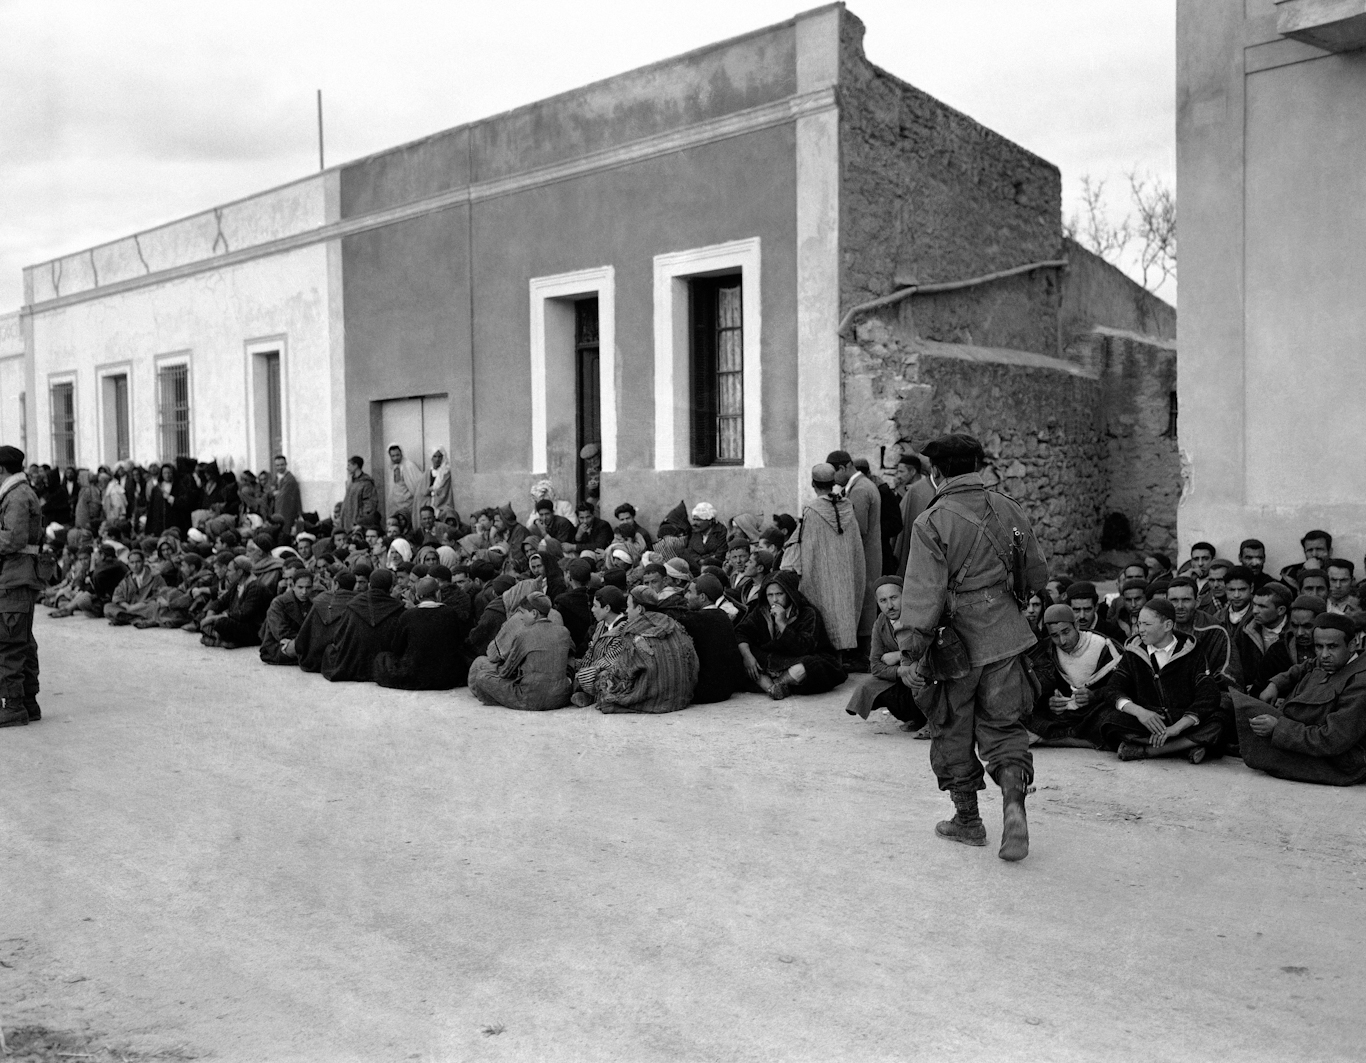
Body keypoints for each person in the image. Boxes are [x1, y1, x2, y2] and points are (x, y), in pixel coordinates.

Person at [895, 433, 1047, 862]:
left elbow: (923, 595)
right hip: (1006, 636)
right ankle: (1014, 805)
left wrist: (910, 653)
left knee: (951, 729)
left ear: (935, 472)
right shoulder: (1009, 507)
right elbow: (1036, 575)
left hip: (954, 648)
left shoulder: (933, 521)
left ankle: (968, 821)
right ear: (977, 464)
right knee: (1003, 729)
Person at [1232, 613, 1366, 785]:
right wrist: (1276, 684)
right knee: (1230, 705)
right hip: (1300, 733)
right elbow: (1306, 666)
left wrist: (1278, 728)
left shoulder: (1360, 682)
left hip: (1338, 762)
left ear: (1352, 645)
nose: (1324, 654)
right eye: (1318, 646)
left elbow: (1331, 740)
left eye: (1332, 646)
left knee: (1245, 728)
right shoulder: (1333, 660)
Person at [1097, 598, 1224, 763]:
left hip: (1183, 721)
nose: (1140, 629)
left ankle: (1147, 751)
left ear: (1168, 626)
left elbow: (1208, 695)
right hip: (1148, 721)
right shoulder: (1133, 652)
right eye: (1139, 624)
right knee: (1109, 721)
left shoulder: (1191, 651)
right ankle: (1185, 747)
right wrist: (1140, 712)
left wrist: (1177, 728)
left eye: (1147, 625)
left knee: (1220, 721)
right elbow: (1112, 689)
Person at [735, 570, 846, 700]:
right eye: (770, 595)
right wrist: (748, 657)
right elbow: (741, 632)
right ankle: (777, 687)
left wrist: (782, 625)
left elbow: (804, 648)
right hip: (770, 659)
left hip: (795, 659)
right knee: (737, 656)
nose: (774, 599)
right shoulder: (761, 611)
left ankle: (773, 686)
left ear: (789, 593)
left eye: (779, 594)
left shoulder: (808, 613)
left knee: (808, 666)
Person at [793, 463, 865, 661]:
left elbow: (808, 546)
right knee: (842, 609)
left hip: (822, 572)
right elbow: (855, 544)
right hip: (845, 570)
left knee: (824, 610)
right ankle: (840, 659)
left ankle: (829, 660)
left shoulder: (811, 511)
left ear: (813, 484)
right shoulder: (848, 506)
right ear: (833, 483)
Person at [1021, 604, 1119, 748]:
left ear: (1077, 625)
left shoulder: (1103, 646)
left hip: (1095, 712)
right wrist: (1050, 702)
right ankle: (1084, 741)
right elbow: (1039, 685)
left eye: (1066, 632)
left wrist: (1094, 695)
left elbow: (1122, 686)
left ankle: (1049, 740)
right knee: (1020, 719)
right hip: (1063, 715)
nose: (1062, 641)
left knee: (1116, 720)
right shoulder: (1047, 649)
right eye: (1055, 635)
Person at [593, 587, 699, 714]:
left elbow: (624, 673)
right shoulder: (674, 624)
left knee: (602, 680)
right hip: (681, 698)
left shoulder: (632, 631)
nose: (626, 611)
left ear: (639, 609)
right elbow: (693, 662)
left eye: (628, 607)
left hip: (653, 700)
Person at [844, 576, 926, 732]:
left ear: (905, 596)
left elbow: (928, 651)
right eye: (883, 601)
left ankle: (932, 721)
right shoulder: (880, 623)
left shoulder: (919, 617)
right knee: (870, 685)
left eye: (894, 598)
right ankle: (913, 717)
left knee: (918, 677)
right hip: (902, 675)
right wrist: (900, 670)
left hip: (924, 673)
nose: (890, 606)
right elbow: (875, 665)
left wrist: (897, 656)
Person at [0, 446, 45, 727]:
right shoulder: (21, 492)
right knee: (21, 640)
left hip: (14, 576)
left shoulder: (16, 496)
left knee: (8, 641)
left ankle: (13, 705)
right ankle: (28, 701)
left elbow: (12, 539)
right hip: (19, 575)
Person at [468, 594, 574, 710]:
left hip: (530, 699)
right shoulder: (564, 632)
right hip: (560, 697)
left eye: (522, 613)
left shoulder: (524, 634)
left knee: (482, 677)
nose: (521, 618)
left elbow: (505, 672)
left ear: (534, 613)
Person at [828, 450, 882, 656]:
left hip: (865, 556)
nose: (833, 480)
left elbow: (858, 528)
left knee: (865, 601)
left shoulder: (860, 490)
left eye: (834, 474)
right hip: (867, 554)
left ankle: (865, 656)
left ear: (843, 468)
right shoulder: (862, 486)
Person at [374, 576, 472, 690]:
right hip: (445, 677)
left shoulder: (408, 615)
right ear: (438, 594)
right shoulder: (450, 613)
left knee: (382, 658)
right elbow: (459, 642)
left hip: (415, 675)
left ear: (416, 596)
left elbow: (397, 648)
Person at [322, 568, 405, 682]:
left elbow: (339, 636)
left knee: (329, 651)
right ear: (391, 587)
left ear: (370, 585)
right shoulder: (399, 608)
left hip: (353, 664)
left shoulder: (353, 604)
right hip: (383, 665)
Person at [676, 575, 747, 703]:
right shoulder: (723, 616)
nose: (686, 596)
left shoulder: (694, 619)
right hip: (726, 689)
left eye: (690, 592)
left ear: (702, 597)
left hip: (704, 691)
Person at [293, 571, 357, 672]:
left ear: (336, 585)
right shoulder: (358, 604)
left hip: (313, 661)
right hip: (342, 662)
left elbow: (303, 635)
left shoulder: (320, 600)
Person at [893, 452, 936, 578]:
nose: (898, 476)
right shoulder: (903, 488)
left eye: (901, 472)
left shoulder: (920, 490)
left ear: (912, 472)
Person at [259, 569, 316, 665]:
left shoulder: (313, 604)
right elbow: (280, 632)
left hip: (301, 643)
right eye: (300, 587)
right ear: (293, 586)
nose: (304, 592)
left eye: (308, 587)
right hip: (278, 647)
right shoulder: (279, 603)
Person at [103, 548, 167, 624]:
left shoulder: (154, 576)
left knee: (156, 607)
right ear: (128, 564)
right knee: (108, 607)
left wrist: (142, 604)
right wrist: (128, 607)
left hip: (146, 606)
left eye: (138, 562)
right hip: (130, 608)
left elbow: (162, 593)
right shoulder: (126, 580)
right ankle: (137, 618)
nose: (135, 565)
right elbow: (117, 596)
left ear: (143, 562)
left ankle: (129, 618)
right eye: (132, 563)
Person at [385, 444, 423, 524]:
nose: (395, 458)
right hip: (396, 504)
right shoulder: (392, 467)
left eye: (397, 455)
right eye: (393, 456)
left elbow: (418, 485)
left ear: (401, 453)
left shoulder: (409, 466)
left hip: (408, 503)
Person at [340, 456, 379, 532]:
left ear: (356, 465)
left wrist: (362, 522)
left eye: (349, 465)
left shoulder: (366, 483)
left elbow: (370, 504)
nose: (347, 468)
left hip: (358, 522)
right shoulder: (350, 482)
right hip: (347, 520)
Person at [271, 455, 302, 532]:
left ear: (286, 464)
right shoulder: (276, 477)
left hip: (286, 509)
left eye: (282, 465)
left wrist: (275, 493)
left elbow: (282, 495)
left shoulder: (290, 479)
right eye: (277, 465)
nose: (280, 467)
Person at [424, 447, 452, 515]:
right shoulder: (428, 472)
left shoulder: (445, 472)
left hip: (442, 503)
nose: (437, 459)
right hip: (429, 502)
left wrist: (432, 489)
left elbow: (444, 489)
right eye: (435, 456)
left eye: (440, 457)